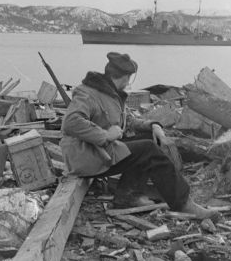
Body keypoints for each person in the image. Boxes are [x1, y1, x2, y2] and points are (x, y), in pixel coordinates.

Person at [61, 52, 217, 219]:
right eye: (129, 78)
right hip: (86, 158)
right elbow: (70, 122)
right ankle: (183, 204)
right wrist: (105, 135)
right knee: (148, 150)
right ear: (125, 77)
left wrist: (153, 125)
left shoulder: (110, 93)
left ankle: (128, 196)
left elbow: (127, 120)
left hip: (101, 151)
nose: (128, 82)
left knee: (149, 139)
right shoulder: (88, 93)